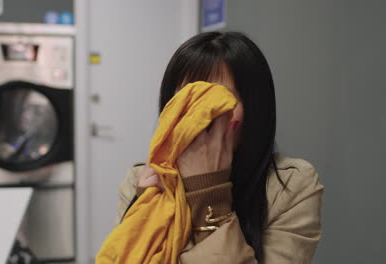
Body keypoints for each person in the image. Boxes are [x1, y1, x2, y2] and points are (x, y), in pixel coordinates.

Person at [115, 31, 324, 263]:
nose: (202, 116)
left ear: (255, 109)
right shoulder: (139, 180)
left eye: (219, 99)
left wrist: (209, 193)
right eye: (187, 99)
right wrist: (149, 209)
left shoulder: (290, 187)